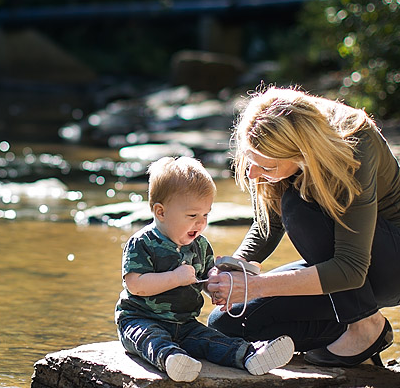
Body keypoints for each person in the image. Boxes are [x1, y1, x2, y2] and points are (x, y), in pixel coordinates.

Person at [205, 86, 400, 367]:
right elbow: (267, 227)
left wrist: (255, 286)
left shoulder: (354, 141)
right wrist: (231, 271)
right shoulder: (264, 136)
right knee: (225, 326)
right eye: (250, 160)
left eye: (265, 167)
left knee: (298, 207)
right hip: (346, 273)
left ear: (302, 154)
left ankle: (364, 327)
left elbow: (351, 268)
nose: (252, 174)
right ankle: (355, 333)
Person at [115, 156, 295, 382]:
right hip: (141, 318)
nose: (200, 223)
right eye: (192, 216)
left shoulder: (200, 245)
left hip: (185, 323)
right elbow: (136, 285)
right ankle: (171, 358)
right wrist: (175, 278)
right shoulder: (142, 243)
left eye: (205, 215)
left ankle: (250, 355)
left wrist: (215, 286)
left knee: (211, 339)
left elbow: (203, 280)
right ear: (161, 212)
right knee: (150, 338)